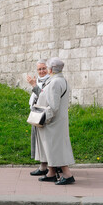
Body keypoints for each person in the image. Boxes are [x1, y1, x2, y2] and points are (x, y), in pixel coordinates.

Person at [34, 57, 75, 185]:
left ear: (51, 69)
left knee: (56, 148)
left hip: (52, 122)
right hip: (58, 121)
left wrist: (45, 119)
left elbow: (53, 106)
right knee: (51, 147)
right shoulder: (62, 80)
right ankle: (51, 173)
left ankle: (68, 175)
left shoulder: (55, 83)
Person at [26, 59, 50, 176]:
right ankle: (43, 166)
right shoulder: (40, 81)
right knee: (38, 141)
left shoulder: (50, 81)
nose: (42, 71)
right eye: (39, 69)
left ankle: (49, 167)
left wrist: (34, 85)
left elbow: (43, 96)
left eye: (44, 68)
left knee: (45, 141)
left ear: (48, 69)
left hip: (45, 115)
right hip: (37, 114)